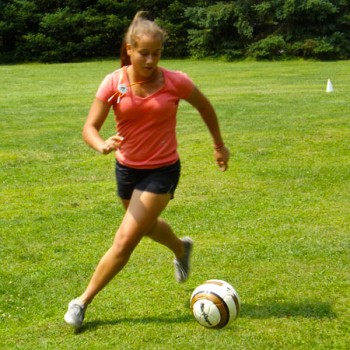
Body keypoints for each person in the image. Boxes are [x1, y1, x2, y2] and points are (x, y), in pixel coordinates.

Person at [64, 11, 230, 330]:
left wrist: (219, 145)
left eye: (157, 53)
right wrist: (100, 144)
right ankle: (182, 248)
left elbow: (205, 107)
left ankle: (81, 302)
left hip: (163, 170)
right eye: (144, 53)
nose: (151, 60)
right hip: (126, 170)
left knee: (126, 239)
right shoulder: (114, 82)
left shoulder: (175, 81)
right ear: (129, 49)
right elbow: (90, 126)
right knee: (146, 226)